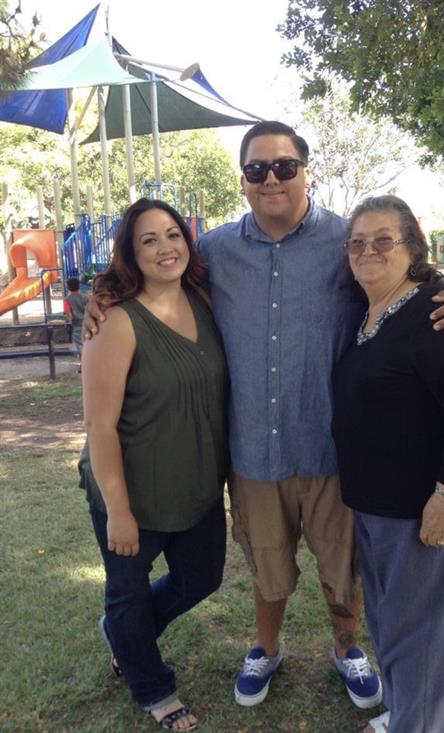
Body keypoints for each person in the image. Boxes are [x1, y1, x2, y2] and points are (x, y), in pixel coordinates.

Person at [84, 121, 444, 712]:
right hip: (252, 452)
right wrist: (100, 296)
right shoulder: (213, 252)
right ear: (243, 181)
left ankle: (346, 647)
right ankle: (264, 647)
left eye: (284, 166)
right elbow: (149, 278)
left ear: (305, 170)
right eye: (256, 169)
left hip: (331, 449)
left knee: (339, 567)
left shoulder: (345, 242)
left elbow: (403, 270)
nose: (271, 178)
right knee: (267, 565)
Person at [331, 195, 444, 733]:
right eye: (357, 242)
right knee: (391, 629)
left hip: (424, 510)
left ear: (413, 249)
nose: (368, 250)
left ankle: (424, 722)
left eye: (384, 239)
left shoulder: (437, 312)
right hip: (376, 507)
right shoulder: (368, 313)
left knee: (423, 641)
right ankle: (408, 716)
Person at [79, 198, 229, 730]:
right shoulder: (115, 322)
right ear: (131, 252)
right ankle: (152, 686)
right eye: (149, 239)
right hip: (131, 488)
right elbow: (99, 426)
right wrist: (119, 510)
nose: (166, 248)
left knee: (202, 578)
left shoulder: (204, 299)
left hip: (197, 481)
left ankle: (125, 634)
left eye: (173, 235)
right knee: (128, 590)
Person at [63, 276, 88, 372]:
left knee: (81, 347)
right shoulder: (85, 297)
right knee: (87, 344)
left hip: (76, 325)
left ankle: (83, 366)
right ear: (79, 286)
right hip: (87, 323)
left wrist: (69, 322)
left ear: (68, 287)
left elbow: (69, 314)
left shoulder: (67, 300)